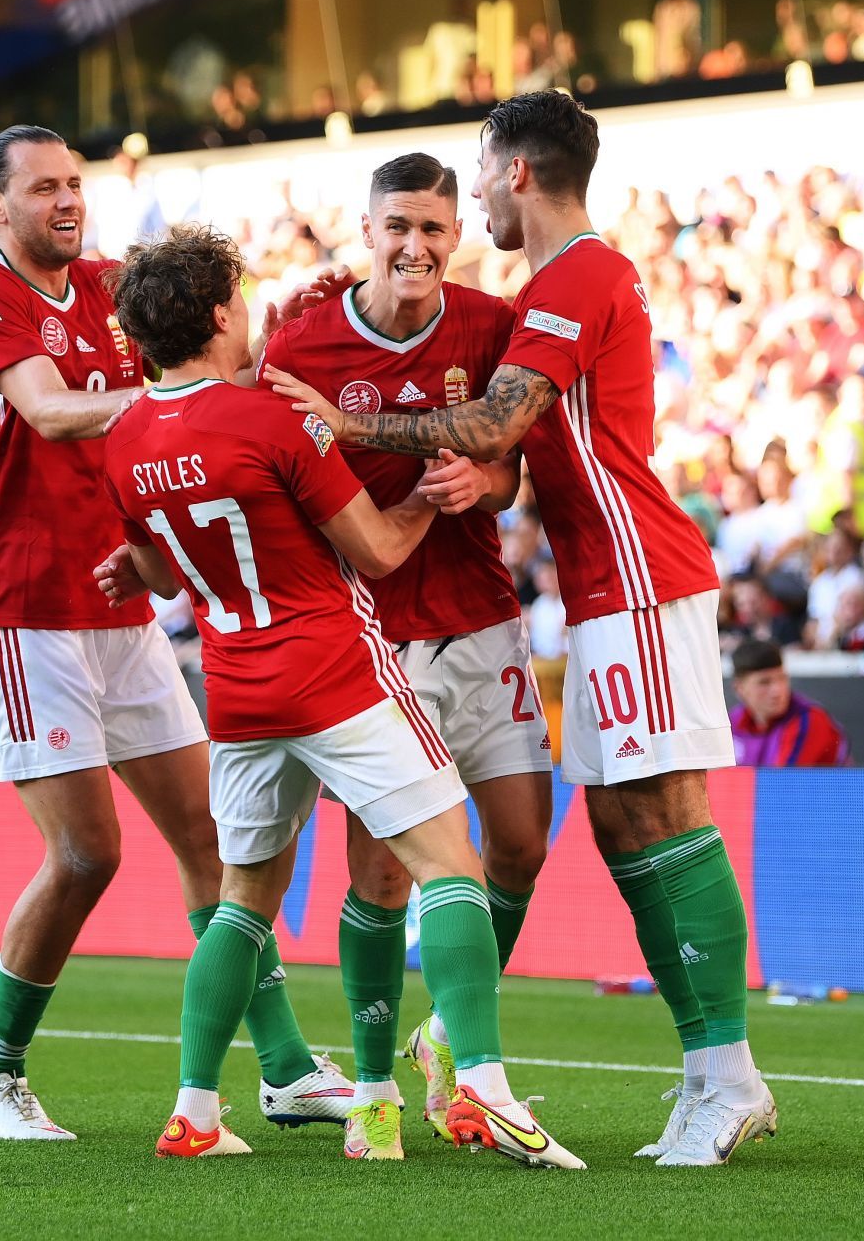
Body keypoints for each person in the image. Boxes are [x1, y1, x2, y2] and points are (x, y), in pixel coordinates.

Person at [267, 91, 777, 1167]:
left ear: (512, 174)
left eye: (475, 176)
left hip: (637, 572)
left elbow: (498, 423)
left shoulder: (576, 276)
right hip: (600, 586)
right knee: (630, 822)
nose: (464, 202)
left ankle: (723, 1073)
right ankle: (690, 1070)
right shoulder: (549, 284)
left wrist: (350, 417)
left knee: (667, 810)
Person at [100, 225, 581, 1168]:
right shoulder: (274, 420)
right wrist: (428, 498)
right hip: (333, 671)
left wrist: (142, 566)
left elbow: (158, 572)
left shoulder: (121, 442)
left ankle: (195, 1111)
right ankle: (482, 1085)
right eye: (238, 301)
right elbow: (381, 550)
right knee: (452, 868)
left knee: (242, 901)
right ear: (217, 313)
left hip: (235, 693)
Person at [0, 125, 347, 1141]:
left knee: (216, 834)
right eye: (43, 188)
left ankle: (287, 1067)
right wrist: (183, 391)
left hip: (120, 607)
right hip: (19, 609)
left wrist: (290, 311)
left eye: (74, 183)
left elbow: (213, 349)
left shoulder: (113, 286)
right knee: (85, 853)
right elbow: (50, 412)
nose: (66, 201)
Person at [257, 152, 554, 1148]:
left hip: (482, 614)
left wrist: (487, 486)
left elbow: (512, 467)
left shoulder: (492, 325)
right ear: (368, 229)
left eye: (433, 227)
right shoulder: (303, 338)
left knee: (519, 842)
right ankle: (378, 1088)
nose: (416, 246)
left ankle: (445, 1037)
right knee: (381, 876)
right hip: (372, 639)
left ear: (457, 227)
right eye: (398, 227)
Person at [728, 640, 851, 766]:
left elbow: (782, 784)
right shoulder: (733, 721)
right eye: (764, 682)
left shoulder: (809, 720)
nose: (777, 691)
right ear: (739, 688)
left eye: (782, 678)